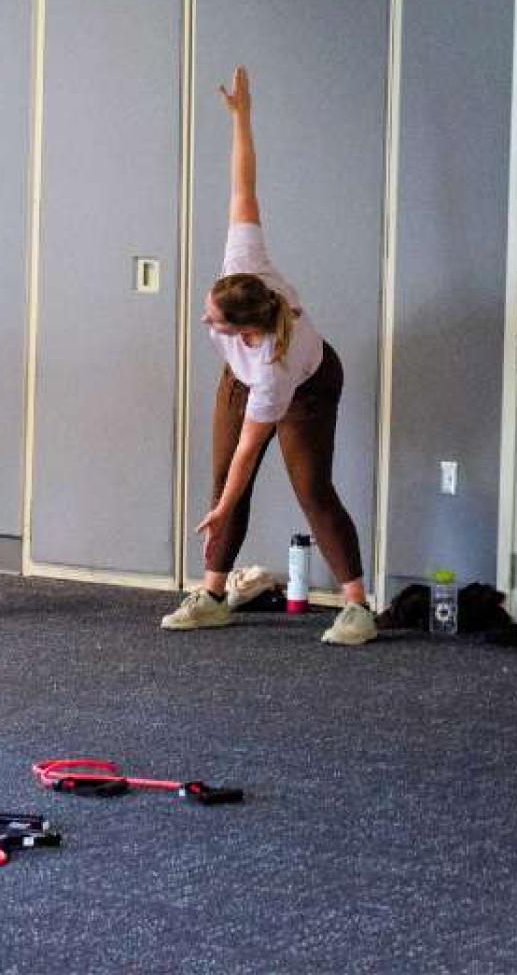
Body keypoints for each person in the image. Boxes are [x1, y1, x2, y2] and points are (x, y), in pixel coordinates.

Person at [160, 66, 374, 646]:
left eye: (214, 319)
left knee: (311, 488)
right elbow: (243, 187)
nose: (205, 318)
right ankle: (211, 595)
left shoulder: (276, 366)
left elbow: (250, 453)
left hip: (310, 385)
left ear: (246, 329)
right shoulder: (243, 264)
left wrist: (224, 506)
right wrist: (241, 118)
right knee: (221, 480)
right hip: (242, 379)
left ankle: (357, 606)